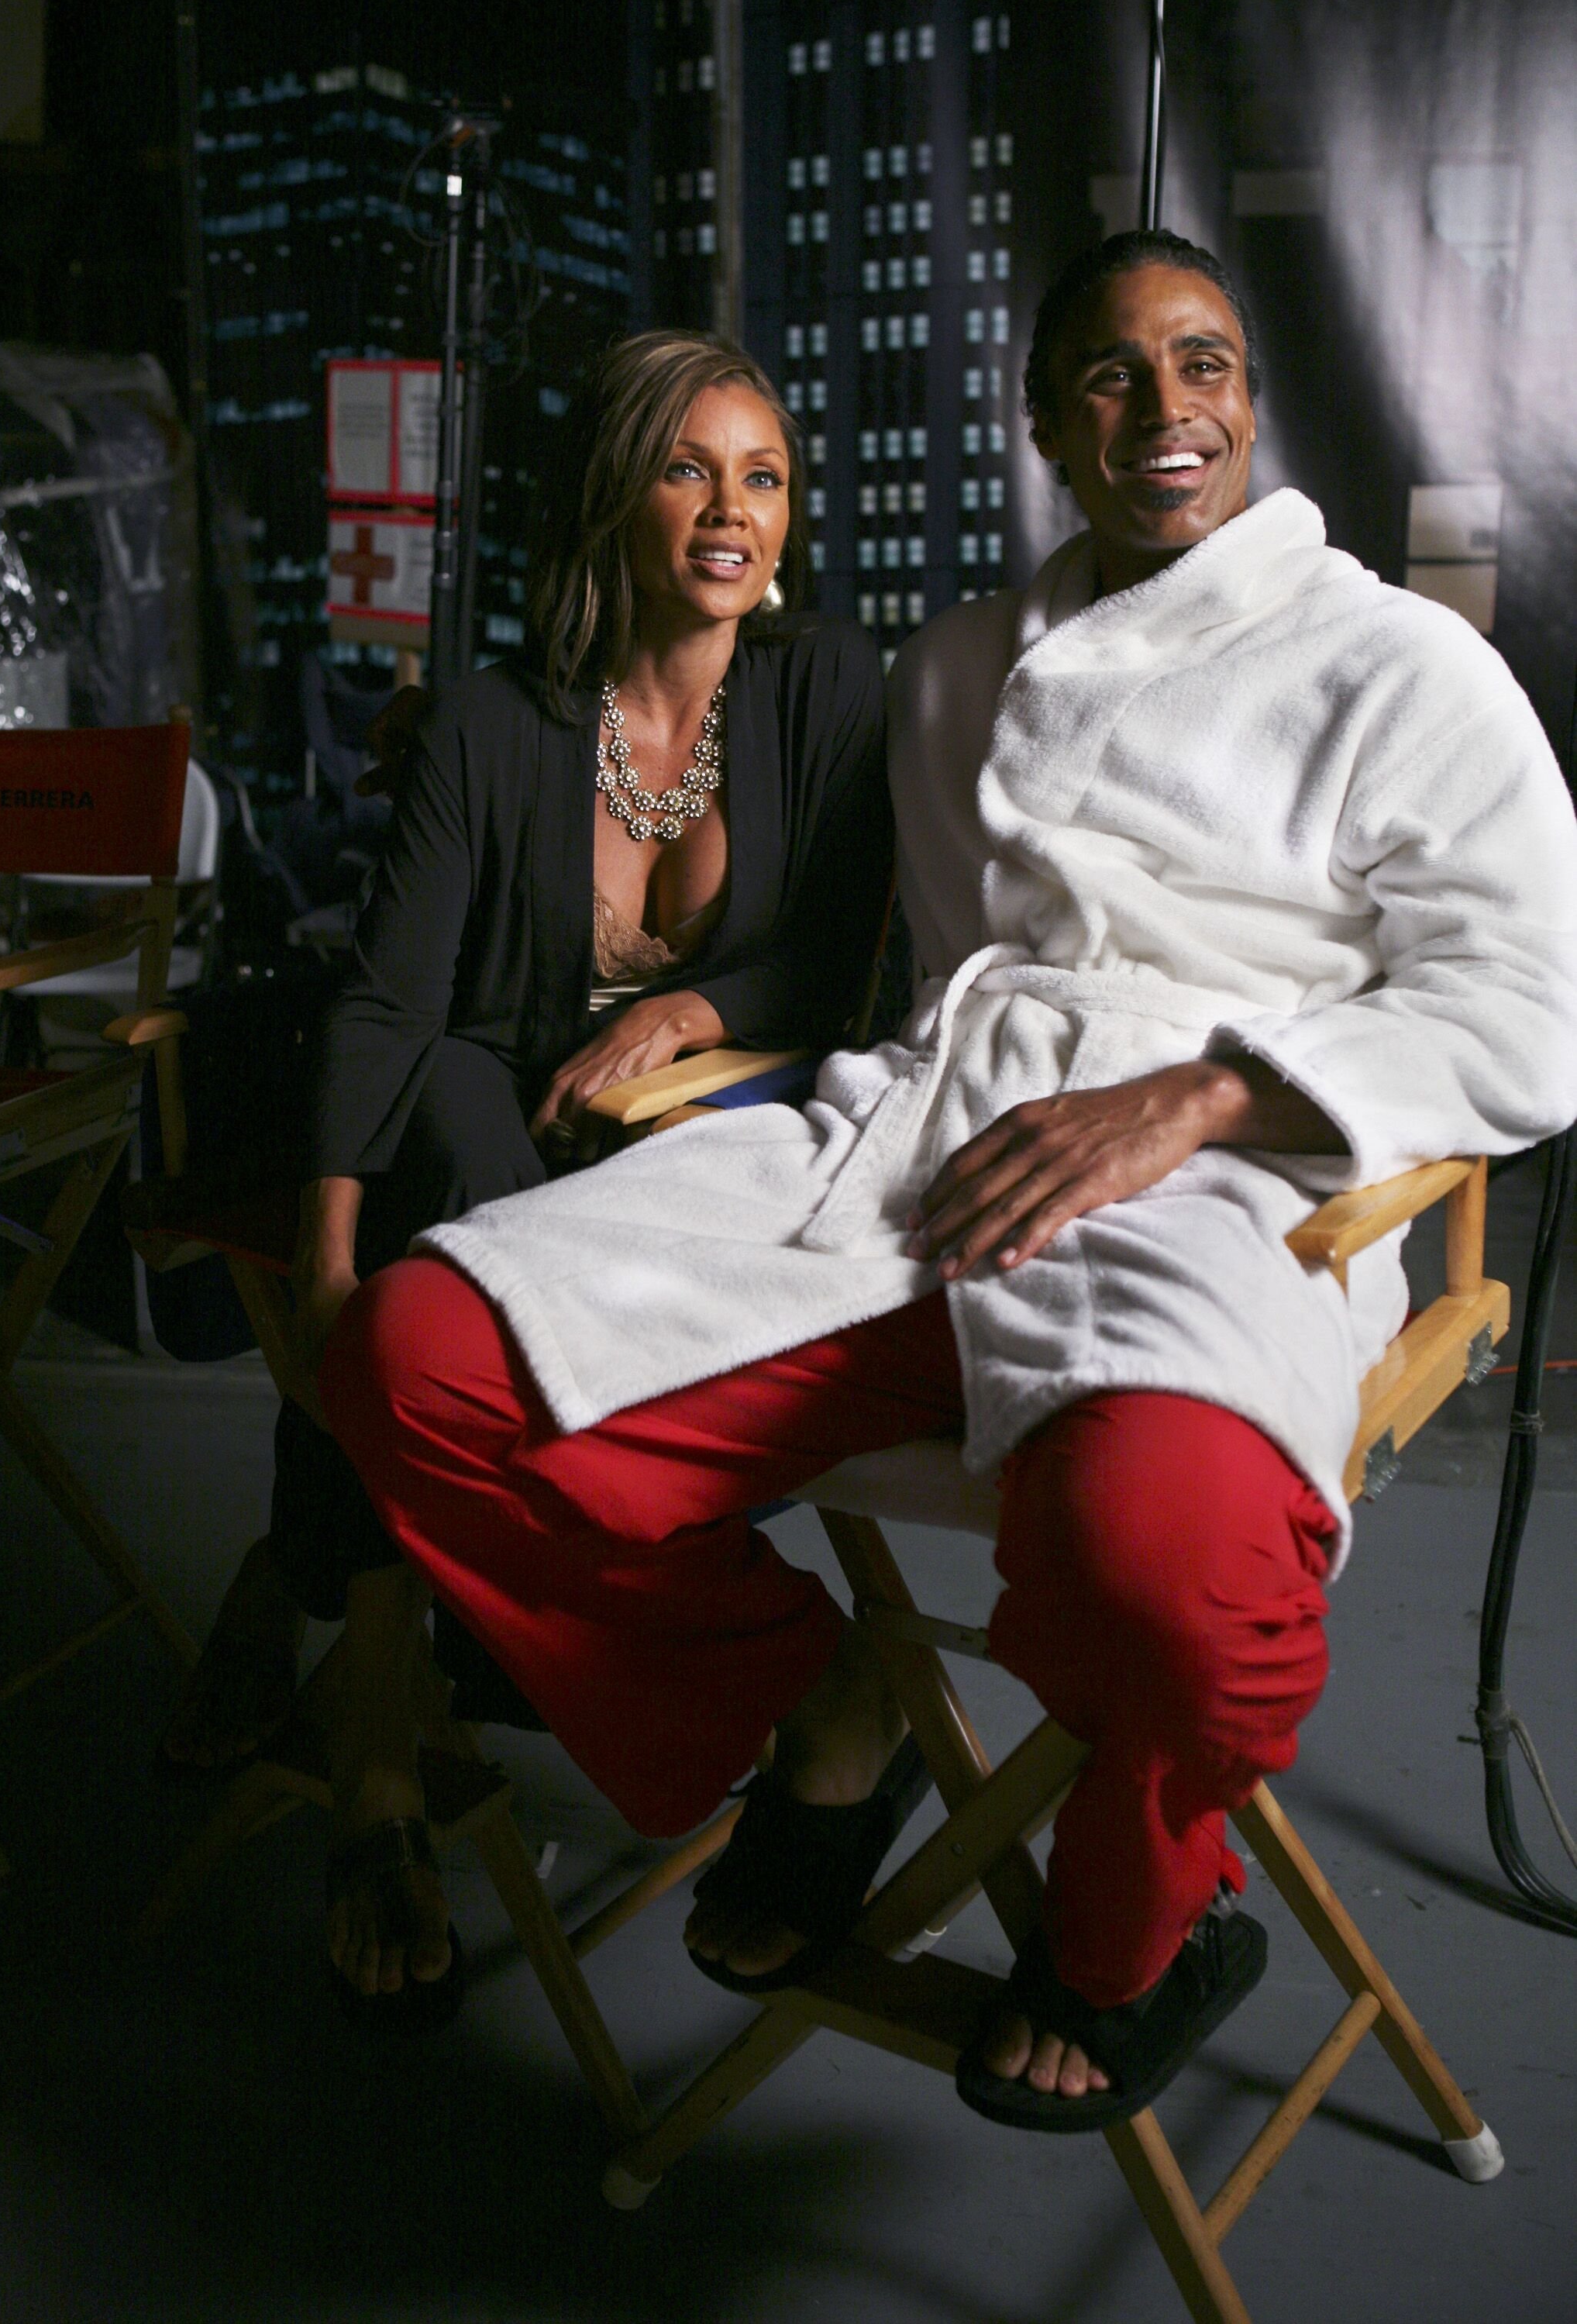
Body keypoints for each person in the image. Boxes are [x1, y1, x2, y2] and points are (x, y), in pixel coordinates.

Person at [316, 233, 1577, 2119]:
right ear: (1043, 426)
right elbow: (890, 956)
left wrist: (1198, 1102)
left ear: (1248, 395)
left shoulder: (1399, 667)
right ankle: (816, 1704)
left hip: (1232, 1177)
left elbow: (1525, 1011)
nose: (1164, 412)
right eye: (1107, 377)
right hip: (925, 1135)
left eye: (1202, 365)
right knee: (413, 1360)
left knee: (1160, 1573)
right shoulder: (954, 670)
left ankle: (1138, 1918)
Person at [157, 329, 891, 2020]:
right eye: (687, 467)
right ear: (613, 496)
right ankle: (383, 1771)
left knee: (516, 1251)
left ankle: (298, 1589)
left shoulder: (823, 685)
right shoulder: (495, 723)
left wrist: (691, 1003)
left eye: (764, 476)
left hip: (696, 1125)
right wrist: (333, 1289)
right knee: (457, 1224)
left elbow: (834, 966)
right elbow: (392, 1005)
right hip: (474, 1087)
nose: (731, 510)